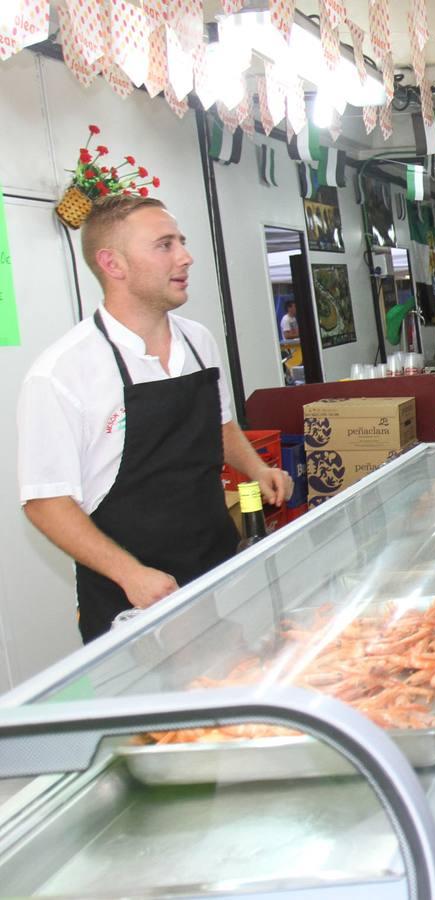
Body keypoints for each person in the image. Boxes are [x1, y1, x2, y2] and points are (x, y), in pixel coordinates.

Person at [18, 196, 293, 643]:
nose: (185, 257)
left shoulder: (198, 341)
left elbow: (220, 424)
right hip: (133, 598)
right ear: (113, 264)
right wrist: (131, 575)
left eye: (181, 242)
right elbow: (45, 502)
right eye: (164, 245)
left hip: (218, 568)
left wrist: (257, 469)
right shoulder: (62, 372)